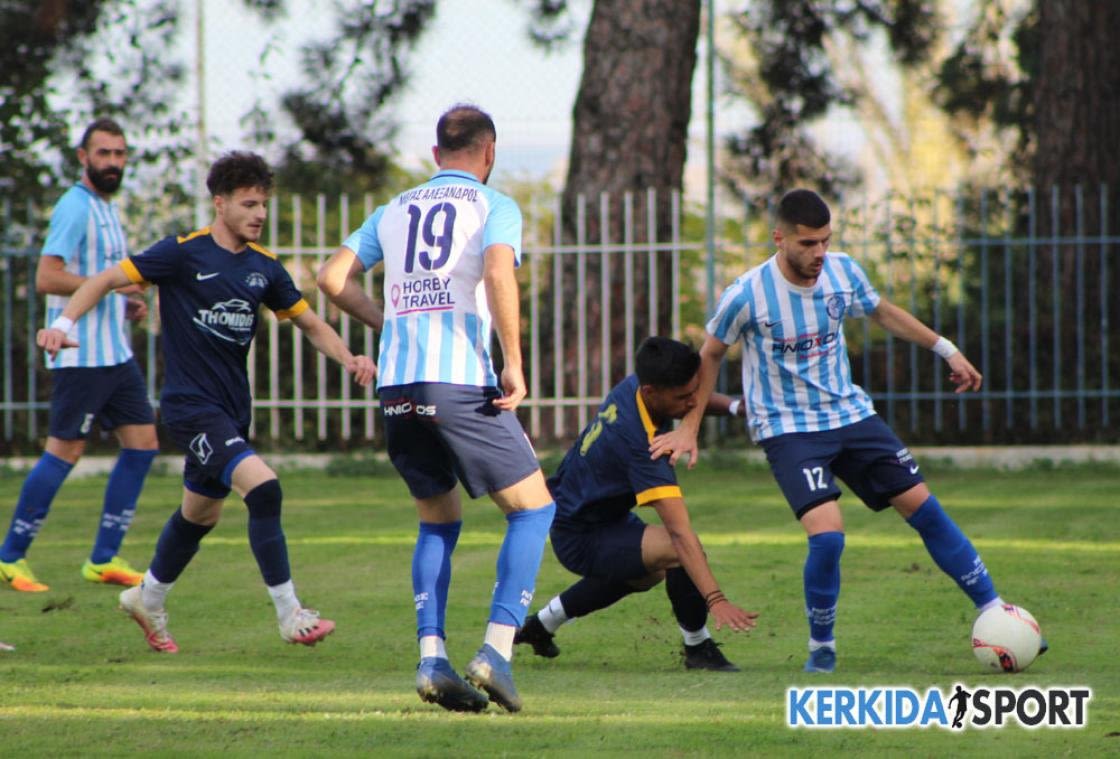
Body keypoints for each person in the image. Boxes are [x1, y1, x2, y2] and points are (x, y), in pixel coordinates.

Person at [650, 188, 1012, 674]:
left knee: (925, 509)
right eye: (807, 243)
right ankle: (822, 647)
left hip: (851, 415)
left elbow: (882, 311)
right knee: (828, 538)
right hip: (788, 429)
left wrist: (946, 349)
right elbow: (711, 353)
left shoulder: (843, 271)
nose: (819, 252)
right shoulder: (747, 294)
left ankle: (996, 612)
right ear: (779, 239)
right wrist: (690, 427)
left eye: (825, 240)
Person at [37, 151, 376, 653]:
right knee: (264, 489)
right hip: (190, 408)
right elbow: (106, 279)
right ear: (220, 203)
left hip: (232, 411)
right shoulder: (182, 253)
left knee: (199, 516)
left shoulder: (265, 267)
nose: (260, 214)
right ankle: (291, 614)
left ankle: (147, 597)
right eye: (249, 204)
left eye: (264, 205)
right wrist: (63, 324)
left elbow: (309, 322)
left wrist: (349, 357)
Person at [318, 104, 555, 714]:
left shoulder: (393, 210)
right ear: (489, 152)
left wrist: (390, 322)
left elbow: (331, 278)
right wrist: (513, 360)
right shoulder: (493, 205)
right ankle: (496, 650)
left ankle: (432, 659)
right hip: (458, 382)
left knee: (438, 522)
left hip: (398, 387)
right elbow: (499, 272)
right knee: (534, 510)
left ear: (435, 154)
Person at [514, 337, 759, 671]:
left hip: (596, 514)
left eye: (695, 392)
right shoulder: (642, 446)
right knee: (676, 551)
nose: (693, 404)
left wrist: (735, 407)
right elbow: (680, 534)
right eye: (683, 397)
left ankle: (540, 626)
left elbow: (692, 396)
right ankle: (698, 648)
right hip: (577, 534)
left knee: (645, 574)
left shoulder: (638, 386)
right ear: (651, 392)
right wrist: (716, 600)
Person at [0, 118, 158, 593]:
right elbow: (47, 277)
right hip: (80, 355)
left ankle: (104, 558)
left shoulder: (106, 207)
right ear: (83, 157)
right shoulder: (74, 207)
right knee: (65, 451)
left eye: (119, 154)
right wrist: (107, 288)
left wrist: (121, 300)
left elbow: (100, 278)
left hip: (115, 354)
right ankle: (9, 557)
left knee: (143, 445)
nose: (113, 162)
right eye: (103, 153)